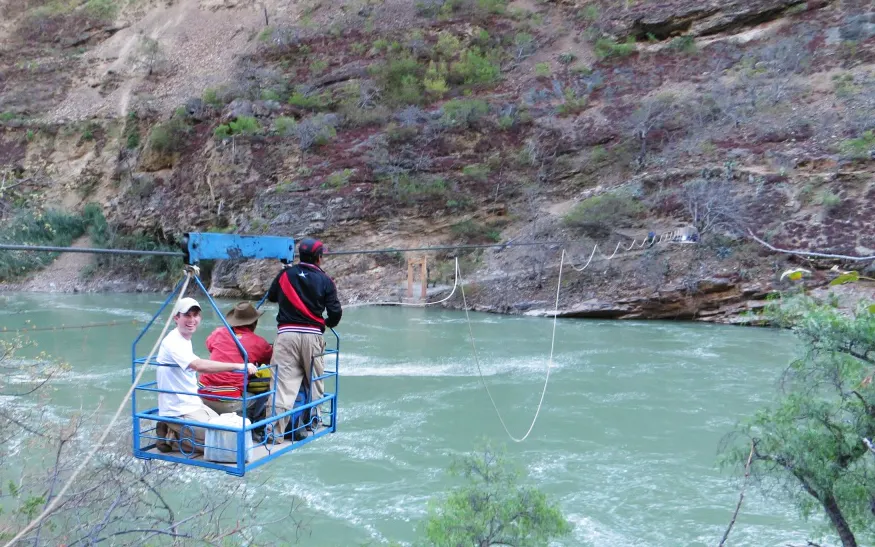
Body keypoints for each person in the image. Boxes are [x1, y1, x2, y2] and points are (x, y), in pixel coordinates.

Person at [154, 297, 258, 454]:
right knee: (226, 445)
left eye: (195, 315)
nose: (192, 320)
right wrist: (238, 366)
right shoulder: (173, 342)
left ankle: (171, 430)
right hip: (178, 410)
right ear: (176, 318)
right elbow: (198, 365)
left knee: (230, 432)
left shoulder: (185, 339)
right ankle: (173, 438)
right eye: (187, 315)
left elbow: (208, 349)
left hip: (195, 402)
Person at [266, 238, 342, 442]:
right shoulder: (325, 280)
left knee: (282, 385)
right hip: (313, 336)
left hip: (287, 335)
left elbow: (272, 296)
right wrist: (327, 323)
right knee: (315, 381)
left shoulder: (285, 275)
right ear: (319, 258)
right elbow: (335, 311)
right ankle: (313, 422)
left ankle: (274, 432)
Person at [198, 302, 274, 435]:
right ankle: (255, 428)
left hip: (202, 394)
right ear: (254, 323)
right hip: (229, 401)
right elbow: (270, 359)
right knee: (267, 395)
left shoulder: (218, 333)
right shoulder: (258, 342)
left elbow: (209, 346)